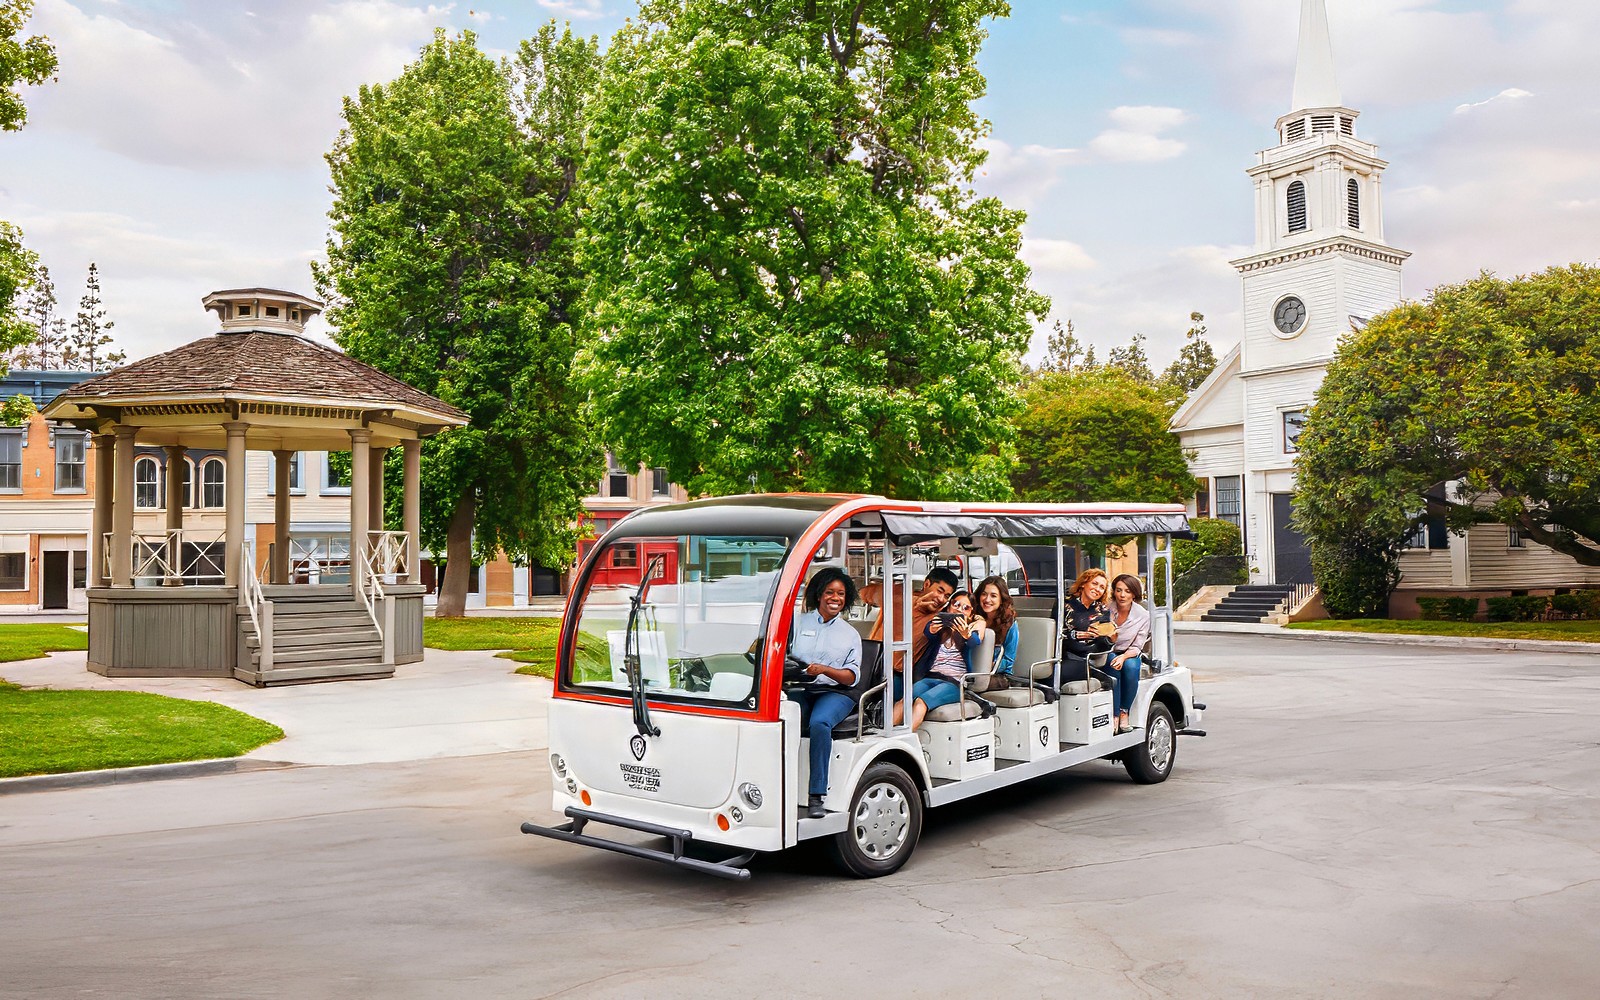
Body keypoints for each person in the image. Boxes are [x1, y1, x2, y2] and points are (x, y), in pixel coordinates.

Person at [787, 566, 863, 818]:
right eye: (830, 592)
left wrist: (825, 669)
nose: (835, 598)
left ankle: (816, 795)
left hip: (836, 693)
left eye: (841, 594)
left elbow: (851, 677)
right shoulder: (798, 622)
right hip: (800, 687)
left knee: (820, 723)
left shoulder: (850, 634)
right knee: (779, 719)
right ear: (819, 594)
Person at [893, 590, 984, 732]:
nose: (959, 609)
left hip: (953, 683)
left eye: (966, 608)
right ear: (949, 607)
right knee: (905, 700)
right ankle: (885, 737)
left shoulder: (970, 631)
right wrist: (934, 628)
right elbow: (929, 632)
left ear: (971, 614)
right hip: (931, 677)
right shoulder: (941, 629)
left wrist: (966, 635)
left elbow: (974, 642)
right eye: (956, 604)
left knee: (920, 703)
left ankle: (904, 740)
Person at [860, 566, 959, 667]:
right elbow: (864, 593)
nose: (941, 599)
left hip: (902, 674)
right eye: (939, 591)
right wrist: (910, 602)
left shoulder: (939, 617)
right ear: (926, 584)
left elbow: (963, 620)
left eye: (947, 596)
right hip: (872, 662)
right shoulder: (899, 597)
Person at [1061, 568, 1118, 710]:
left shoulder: (1102, 611)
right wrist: (1077, 635)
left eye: (1102, 587)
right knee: (1052, 671)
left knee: (1063, 672)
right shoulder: (1065, 605)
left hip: (1088, 657)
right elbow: (1057, 634)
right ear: (1083, 583)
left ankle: (1093, 672)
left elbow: (1102, 646)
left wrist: (1110, 639)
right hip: (1064, 655)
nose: (1097, 589)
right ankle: (1093, 673)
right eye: (1094, 583)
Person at [1107, 573, 1151, 733]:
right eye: (1118, 590)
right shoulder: (1107, 609)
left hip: (1130, 652)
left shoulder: (1143, 615)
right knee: (1113, 664)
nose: (1122, 595)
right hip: (1109, 650)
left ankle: (1124, 710)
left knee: (1131, 668)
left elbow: (1138, 645)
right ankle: (1114, 714)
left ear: (1134, 593)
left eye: (1127, 591)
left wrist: (1124, 656)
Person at [974, 575, 1019, 683]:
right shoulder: (973, 617)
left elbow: (1008, 661)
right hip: (970, 671)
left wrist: (988, 665)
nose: (987, 599)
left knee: (975, 684)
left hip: (999, 675)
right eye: (984, 594)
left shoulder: (1010, 624)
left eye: (993, 596)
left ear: (1001, 599)